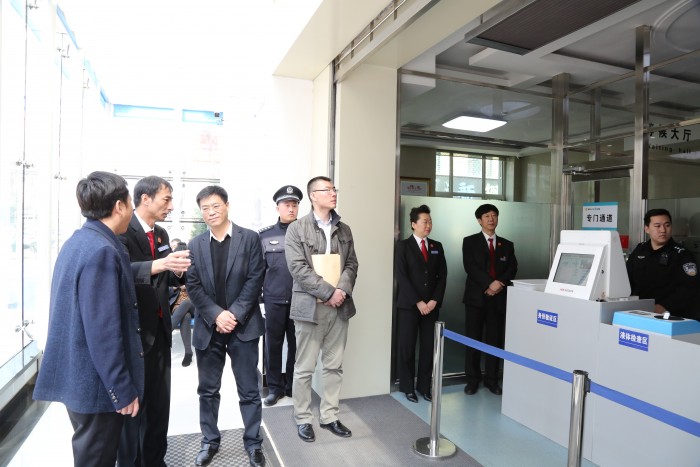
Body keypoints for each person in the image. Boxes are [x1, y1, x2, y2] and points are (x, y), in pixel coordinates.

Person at [33, 171, 144, 467]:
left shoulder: (79, 242)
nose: (131, 211)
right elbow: (103, 331)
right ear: (119, 206)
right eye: (130, 203)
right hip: (98, 387)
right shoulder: (102, 251)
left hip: (81, 379)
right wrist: (121, 390)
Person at [186, 185, 266, 467]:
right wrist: (216, 315)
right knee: (207, 390)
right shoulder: (195, 244)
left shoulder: (249, 238)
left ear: (227, 205)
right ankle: (209, 441)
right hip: (209, 328)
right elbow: (193, 286)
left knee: (249, 390)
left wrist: (233, 314)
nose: (211, 212)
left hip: (243, 327)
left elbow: (255, 279)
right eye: (205, 208)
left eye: (215, 206)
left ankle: (254, 442)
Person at [118, 176, 190, 467]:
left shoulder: (160, 233)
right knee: (134, 407)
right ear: (145, 199)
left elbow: (166, 277)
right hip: (135, 334)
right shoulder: (123, 231)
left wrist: (178, 271)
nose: (171, 206)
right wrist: (160, 264)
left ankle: (155, 459)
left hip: (161, 332)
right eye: (166, 199)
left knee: (160, 404)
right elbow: (121, 269)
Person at [285, 176, 359, 443]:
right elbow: (298, 268)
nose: (333, 193)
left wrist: (341, 291)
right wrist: (328, 292)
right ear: (313, 195)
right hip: (310, 308)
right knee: (304, 368)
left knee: (334, 366)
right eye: (327, 190)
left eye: (334, 189)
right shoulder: (297, 229)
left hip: (339, 307)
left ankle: (329, 416)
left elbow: (352, 264)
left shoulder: (344, 229)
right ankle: (303, 418)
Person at [462, 204, 517, 396]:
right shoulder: (469, 242)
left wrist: (499, 283)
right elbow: (470, 267)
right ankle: (472, 380)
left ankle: (492, 380)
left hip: (498, 300)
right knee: (473, 340)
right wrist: (489, 283)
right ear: (479, 220)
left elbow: (512, 268)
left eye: (494, 215)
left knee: (494, 341)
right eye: (486, 216)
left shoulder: (507, 244)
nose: (491, 219)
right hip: (475, 299)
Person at [395, 204, 447, 403]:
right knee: (407, 348)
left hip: (431, 307)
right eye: (425, 221)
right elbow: (402, 276)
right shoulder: (403, 246)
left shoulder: (437, 246)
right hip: (409, 306)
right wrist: (418, 301)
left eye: (430, 221)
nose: (428, 225)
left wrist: (434, 300)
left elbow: (442, 276)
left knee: (428, 348)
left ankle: (424, 387)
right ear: (413, 224)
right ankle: (407, 387)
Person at [258, 185, 303, 406]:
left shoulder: (306, 233)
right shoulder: (265, 235)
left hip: (300, 299)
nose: (291, 208)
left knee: (297, 345)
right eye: (287, 205)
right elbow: (258, 270)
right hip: (274, 300)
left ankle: (292, 385)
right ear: (278, 208)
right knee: (273, 345)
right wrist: (259, 301)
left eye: (295, 204)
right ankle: (275, 388)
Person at [626, 208, 698, 317]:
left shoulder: (681, 254)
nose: (663, 230)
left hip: (668, 315)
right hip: (638, 312)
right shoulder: (640, 250)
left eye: (667, 225)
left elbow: (689, 287)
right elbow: (627, 279)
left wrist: (665, 306)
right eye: (657, 226)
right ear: (647, 229)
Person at [171, 242, 194, 367]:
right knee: (185, 316)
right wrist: (175, 287)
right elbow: (164, 291)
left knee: (187, 302)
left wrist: (187, 286)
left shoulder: (193, 270)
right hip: (177, 306)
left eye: (184, 258)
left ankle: (167, 331)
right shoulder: (170, 272)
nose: (181, 261)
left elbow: (200, 289)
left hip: (194, 304)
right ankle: (188, 352)